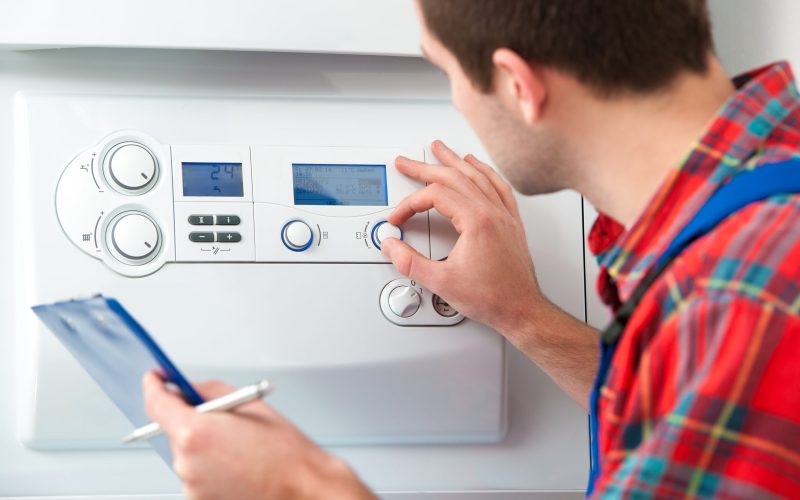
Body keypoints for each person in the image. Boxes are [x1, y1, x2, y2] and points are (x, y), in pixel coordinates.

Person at [143, 0, 800, 498]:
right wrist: (520, 314)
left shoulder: (736, 298)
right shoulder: (758, 209)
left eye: (446, 71)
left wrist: (304, 485)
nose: (456, 101)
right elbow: (682, 412)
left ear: (519, 83)